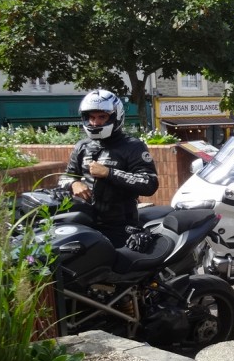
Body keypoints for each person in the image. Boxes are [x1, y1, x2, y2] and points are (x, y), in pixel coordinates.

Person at [58, 89, 159, 247]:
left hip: (121, 226)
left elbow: (149, 183)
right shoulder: (82, 147)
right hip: (86, 223)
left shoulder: (133, 146)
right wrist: (73, 183)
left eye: (102, 117)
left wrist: (109, 173)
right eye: (91, 117)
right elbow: (65, 177)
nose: (95, 123)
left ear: (115, 117)